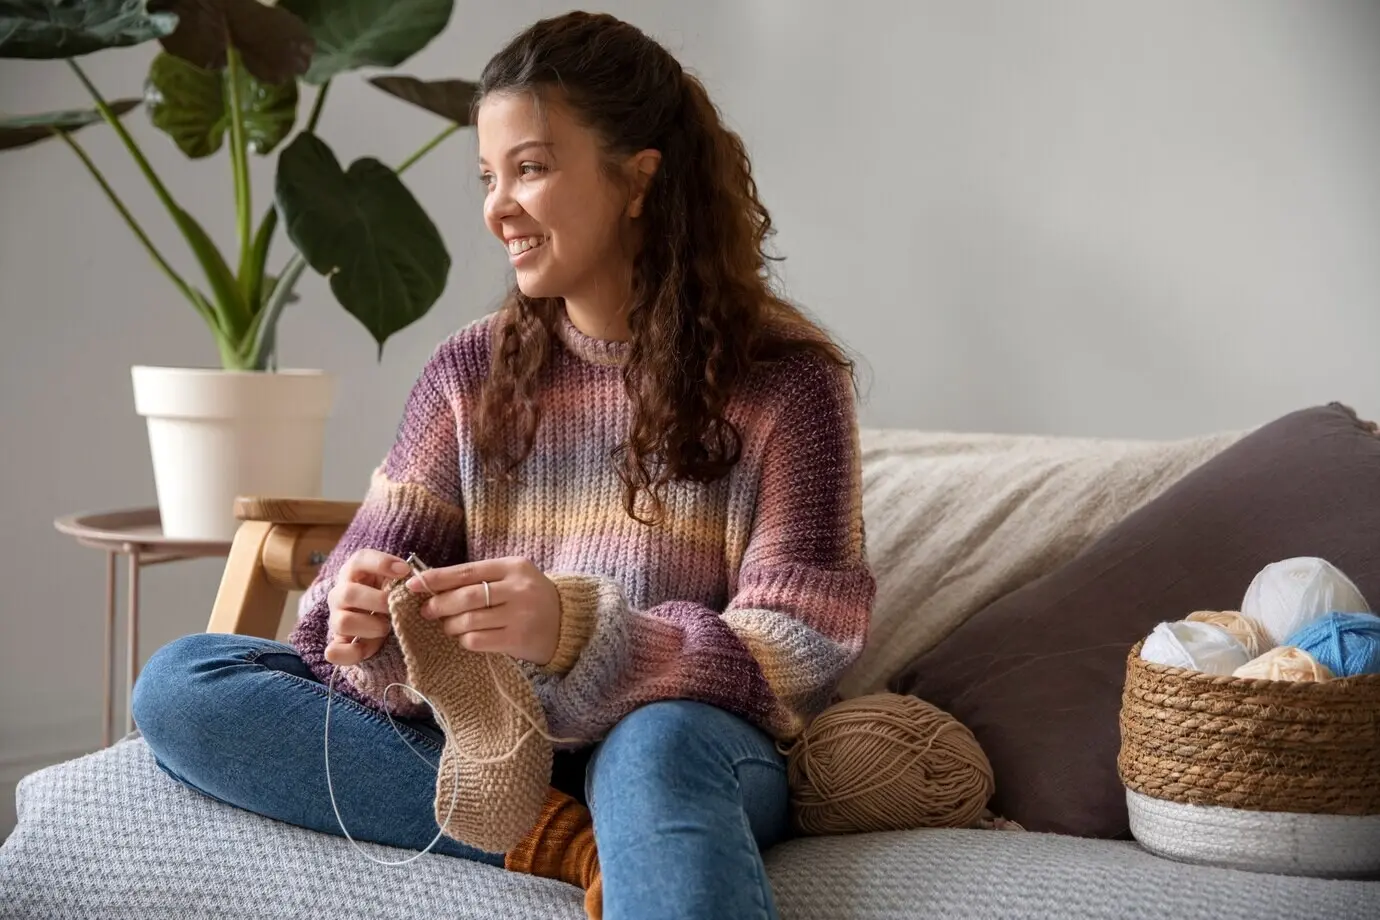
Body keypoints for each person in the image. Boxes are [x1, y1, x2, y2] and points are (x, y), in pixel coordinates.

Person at [131, 10, 875, 920]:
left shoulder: (787, 383)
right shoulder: (467, 372)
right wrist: (362, 616)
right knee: (185, 682)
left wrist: (571, 630)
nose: (497, 207)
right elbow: (326, 622)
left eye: (530, 168)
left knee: (651, 746)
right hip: (492, 738)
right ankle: (561, 839)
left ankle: (597, 817)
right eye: (489, 176)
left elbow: (799, 649)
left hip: (688, 737)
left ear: (638, 180)